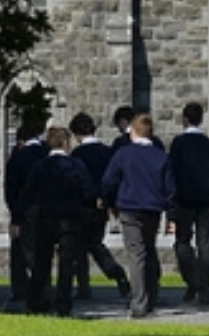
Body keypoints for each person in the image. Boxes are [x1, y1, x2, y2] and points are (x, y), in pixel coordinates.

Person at [102, 113, 176, 318]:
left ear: (133, 132)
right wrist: (172, 216)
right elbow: (170, 189)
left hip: (130, 207)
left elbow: (109, 181)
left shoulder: (124, 154)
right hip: (152, 209)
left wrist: (110, 202)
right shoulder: (160, 156)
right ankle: (152, 295)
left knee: (136, 254)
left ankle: (139, 302)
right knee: (149, 250)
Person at [16, 126, 93, 316]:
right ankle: (63, 303)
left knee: (42, 262)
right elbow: (87, 191)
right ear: (66, 143)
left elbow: (28, 194)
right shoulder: (76, 165)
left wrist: (19, 218)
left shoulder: (41, 167)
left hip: (46, 218)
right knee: (66, 263)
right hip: (69, 219)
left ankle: (34, 300)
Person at [68, 113, 130, 300]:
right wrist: (110, 201)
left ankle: (84, 286)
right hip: (101, 204)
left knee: (79, 246)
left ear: (77, 134)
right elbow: (113, 178)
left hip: (82, 205)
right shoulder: (106, 152)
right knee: (95, 243)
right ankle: (116, 272)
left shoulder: (78, 155)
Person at [168, 102, 209, 305]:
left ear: (184, 120)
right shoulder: (208, 144)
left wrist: (171, 200)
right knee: (205, 244)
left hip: (184, 199)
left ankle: (193, 281)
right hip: (206, 199)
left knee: (182, 242)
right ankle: (205, 287)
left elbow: (172, 172)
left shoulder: (179, 144)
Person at [4, 122, 49, 301]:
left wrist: (15, 217)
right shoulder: (47, 154)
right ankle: (44, 286)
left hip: (25, 210)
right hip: (47, 210)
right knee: (42, 250)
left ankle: (21, 288)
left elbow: (12, 190)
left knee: (21, 251)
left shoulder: (18, 158)